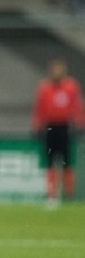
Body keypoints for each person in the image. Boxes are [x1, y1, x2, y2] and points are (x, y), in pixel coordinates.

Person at [31, 58, 84, 206]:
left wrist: (80, 123)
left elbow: (76, 106)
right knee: (50, 162)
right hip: (50, 127)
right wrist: (36, 125)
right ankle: (51, 194)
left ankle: (68, 195)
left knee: (67, 162)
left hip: (65, 126)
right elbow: (39, 108)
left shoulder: (71, 87)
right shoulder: (44, 88)